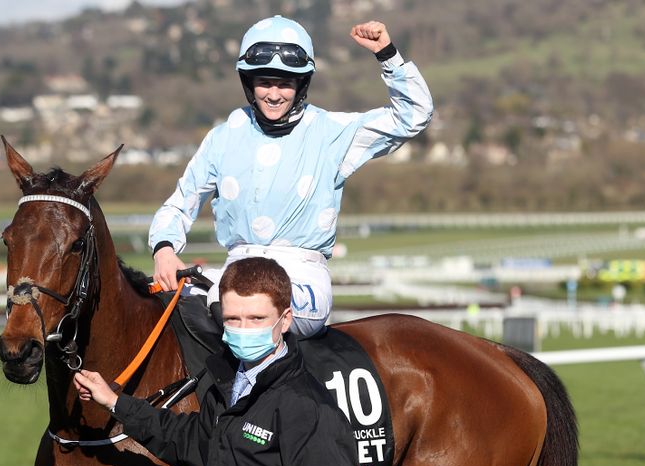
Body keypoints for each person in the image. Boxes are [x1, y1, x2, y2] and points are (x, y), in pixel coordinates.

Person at [149, 15, 434, 337]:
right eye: (264, 82)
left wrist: (387, 54)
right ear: (248, 83)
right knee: (157, 303)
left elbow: (414, 115)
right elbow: (178, 206)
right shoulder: (222, 137)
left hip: (301, 281)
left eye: (285, 83)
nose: (274, 94)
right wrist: (164, 250)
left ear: (301, 85)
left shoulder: (331, 132)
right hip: (234, 273)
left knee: (241, 302)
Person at [74, 257, 365, 466]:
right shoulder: (228, 384)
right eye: (233, 319)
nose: (244, 330)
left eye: (256, 318)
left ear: (285, 319)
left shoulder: (309, 410)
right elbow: (189, 441)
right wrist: (115, 402)